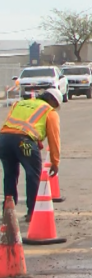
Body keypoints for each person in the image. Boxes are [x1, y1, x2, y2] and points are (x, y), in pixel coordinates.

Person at [0, 87, 62, 221]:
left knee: (10, 175)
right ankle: (33, 211)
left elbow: (16, 127)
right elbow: (54, 138)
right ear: (52, 100)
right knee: (33, 174)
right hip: (24, 143)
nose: (55, 108)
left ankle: (7, 211)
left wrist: (35, 139)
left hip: (4, 140)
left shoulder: (21, 103)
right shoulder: (49, 111)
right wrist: (55, 162)